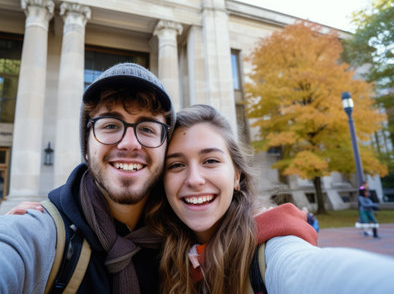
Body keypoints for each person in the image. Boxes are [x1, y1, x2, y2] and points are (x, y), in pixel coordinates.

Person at [0, 63, 176, 294]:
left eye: (147, 129)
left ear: (166, 147)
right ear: (86, 147)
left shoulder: (183, 241)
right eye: (111, 125)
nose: (129, 143)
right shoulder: (42, 234)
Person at [146, 104, 394, 293]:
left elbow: (310, 271)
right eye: (176, 165)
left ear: (236, 175)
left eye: (210, 161)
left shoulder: (271, 251)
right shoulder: (153, 251)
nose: (195, 179)